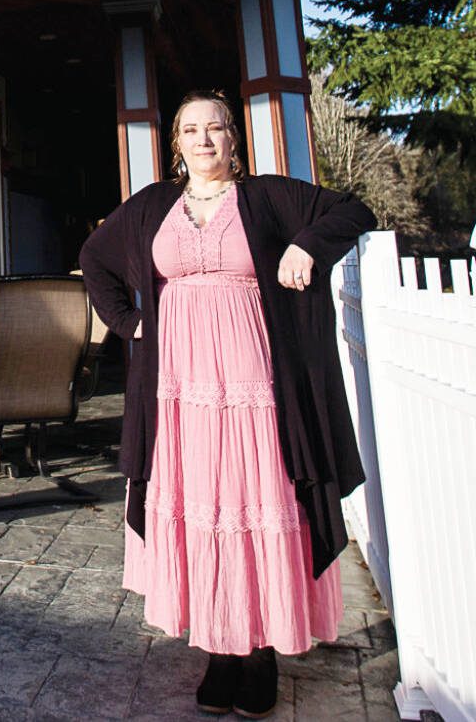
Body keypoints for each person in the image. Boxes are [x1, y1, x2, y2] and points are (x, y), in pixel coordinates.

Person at [80, 89, 375, 718]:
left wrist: (305, 246)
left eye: (215, 128)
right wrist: (128, 321)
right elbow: (94, 258)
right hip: (180, 391)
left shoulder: (268, 197)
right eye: (191, 130)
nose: (204, 140)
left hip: (254, 386)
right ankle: (220, 645)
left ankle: (261, 648)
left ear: (232, 138)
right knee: (202, 504)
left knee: (254, 497)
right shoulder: (153, 205)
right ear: (176, 144)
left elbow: (353, 210)